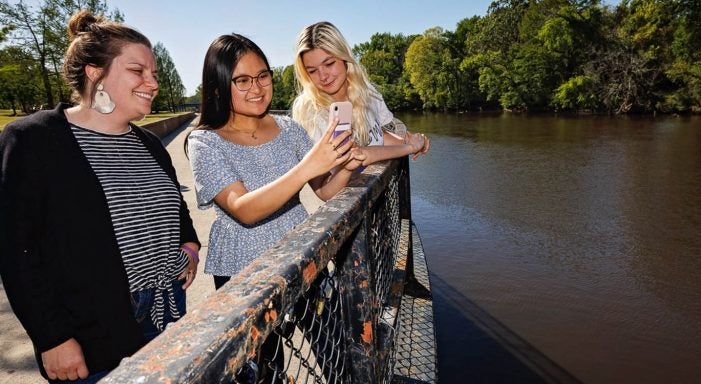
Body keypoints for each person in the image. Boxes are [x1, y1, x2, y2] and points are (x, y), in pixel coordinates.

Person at [0, 10, 200, 383]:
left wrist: (189, 245)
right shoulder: (33, 140)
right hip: (91, 333)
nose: (152, 83)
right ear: (95, 72)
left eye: (154, 74)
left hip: (168, 311)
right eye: (138, 71)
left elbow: (175, 206)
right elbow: (15, 251)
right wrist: (53, 337)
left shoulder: (150, 144)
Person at [186, 33, 363, 383]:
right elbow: (242, 208)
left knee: (334, 347)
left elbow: (325, 190)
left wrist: (343, 160)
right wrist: (308, 166)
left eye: (263, 75)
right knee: (265, 368)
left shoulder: (290, 129)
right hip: (244, 272)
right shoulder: (204, 141)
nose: (257, 87)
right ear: (219, 86)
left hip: (304, 257)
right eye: (242, 80)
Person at [291, 21, 430, 167]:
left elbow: (383, 134)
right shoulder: (309, 113)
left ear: (344, 58)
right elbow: (354, 159)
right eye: (312, 71)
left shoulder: (366, 91)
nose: (323, 76)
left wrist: (413, 140)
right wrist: (409, 147)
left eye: (329, 63)